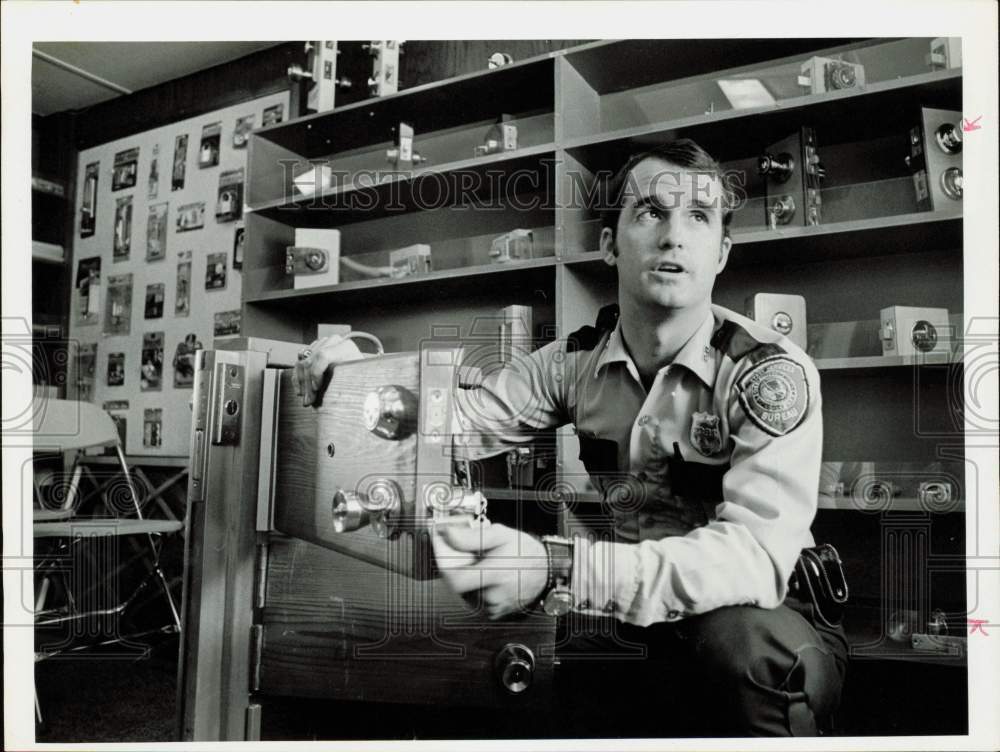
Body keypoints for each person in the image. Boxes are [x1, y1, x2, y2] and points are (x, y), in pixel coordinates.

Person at [294, 139, 847, 737]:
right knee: (572, 661)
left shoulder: (768, 373)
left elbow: (755, 559)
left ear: (722, 252)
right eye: (651, 212)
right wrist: (353, 371)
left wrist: (561, 569)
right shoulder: (571, 365)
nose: (674, 236)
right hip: (632, 609)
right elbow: (453, 423)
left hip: (767, 613)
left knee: (743, 649)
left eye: (699, 217)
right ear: (609, 244)